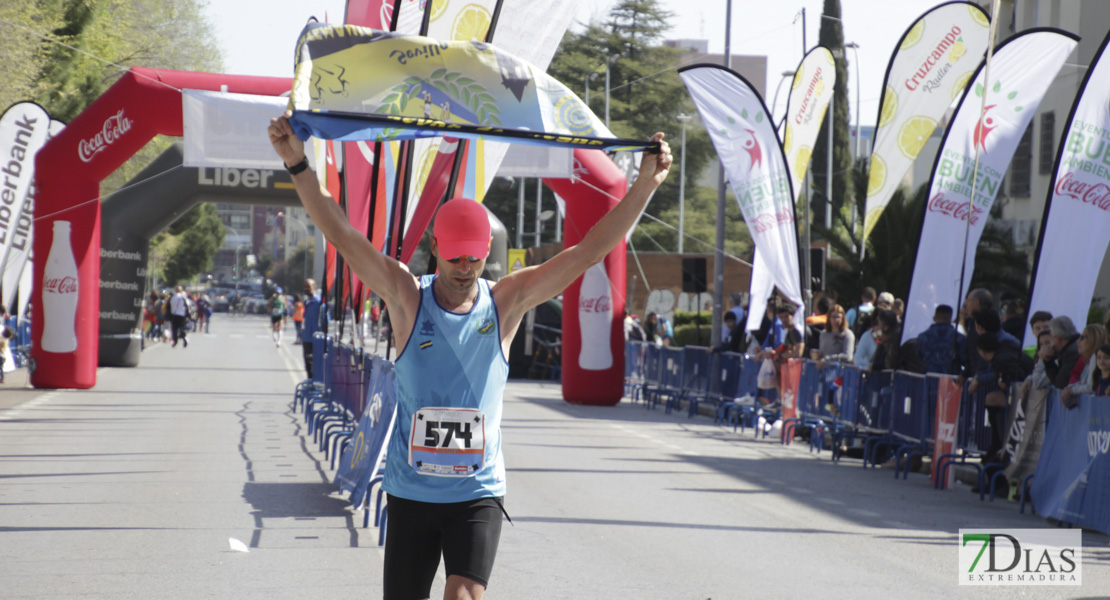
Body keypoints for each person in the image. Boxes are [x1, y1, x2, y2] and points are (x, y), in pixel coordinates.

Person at [270, 110, 671, 600]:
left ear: (487, 254)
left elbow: (588, 251)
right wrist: (297, 164)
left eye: (475, 257)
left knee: (463, 596)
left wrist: (646, 185)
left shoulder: (507, 300)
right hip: (411, 491)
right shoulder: (406, 296)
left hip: (476, 492)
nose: (464, 268)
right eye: (454, 256)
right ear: (435, 248)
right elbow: (344, 237)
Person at [1060, 324, 1109, 408]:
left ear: (1093, 339)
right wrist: (1070, 388)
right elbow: (1083, 382)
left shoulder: (1095, 357)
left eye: (1082, 338)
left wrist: (1071, 390)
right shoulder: (1088, 359)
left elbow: (1091, 386)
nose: (1077, 341)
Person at [916, 304, 966, 375]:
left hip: (928, 381)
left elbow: (919, 358)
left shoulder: (923, 337)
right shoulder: (959, 338)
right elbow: (965, 360)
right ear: (950, 319)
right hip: (951, 382)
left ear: (934, 318)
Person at [1044, 315, 1081, 391]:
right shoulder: (1074, 346)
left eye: (1051, 336)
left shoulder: (1072, 352)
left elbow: (1061, 383)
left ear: (1057, 339)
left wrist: (1048, 361)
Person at [301, 279, 322, 378]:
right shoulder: (306, 302)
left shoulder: (319, 302)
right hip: (306, 338)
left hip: (316, 338)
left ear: (314, 287)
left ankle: (315, 383)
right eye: (305, 286)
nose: (306, 288)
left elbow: (326, 319)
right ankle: (310, 381)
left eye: (308, 286)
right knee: (307, 364)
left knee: (315, 364)